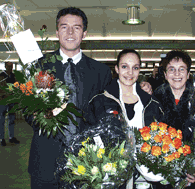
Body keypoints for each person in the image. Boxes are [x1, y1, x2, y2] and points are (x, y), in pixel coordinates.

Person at [25, 7, 152, 189]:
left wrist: (141, 87)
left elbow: (117, 100)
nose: (70, 32)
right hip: (45, 162)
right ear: (56, 31)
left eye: (76, 27)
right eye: (64, 27)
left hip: (88, 164)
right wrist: (45, 115)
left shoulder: (100, 72)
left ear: (84, 33)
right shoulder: (40, 66)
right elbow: (28, 109)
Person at [88, 49, 164, 189]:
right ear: (116, 69)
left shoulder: (151, 103)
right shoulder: (100, 101)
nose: (130, 73)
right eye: (124, 67)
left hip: (145, 179)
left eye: (135, 68)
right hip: (112, 177)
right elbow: (90, 137)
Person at [153, 50, 195, 189]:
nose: (176, 74)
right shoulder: (154, 100)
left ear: (188, 75)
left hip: (189, 176)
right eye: (171, 69)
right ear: (165, 74)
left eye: (181, 69)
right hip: (161, 172)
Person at [0, 62, 20, 146]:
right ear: (5, 66)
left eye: (11, 66)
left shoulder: (14, 76)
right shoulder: (0, 76)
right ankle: (2, 139)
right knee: (1, 120)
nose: (10, 67)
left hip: (12, 100)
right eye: (8, 66)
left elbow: (17, 87)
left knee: (12, 119)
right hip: (3, 101)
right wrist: (0, 96)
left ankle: (11, 137)